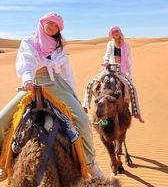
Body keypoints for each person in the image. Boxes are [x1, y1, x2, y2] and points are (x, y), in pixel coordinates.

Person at [0, 12, 103, 178]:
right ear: (42, 23)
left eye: (56, 26)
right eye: (50, 23)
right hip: (33, 84)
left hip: (57, 84)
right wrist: (27, 77)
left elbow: (66, 72)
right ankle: (2, 163)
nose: (52, 27)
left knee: (83, 121)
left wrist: (73, 94)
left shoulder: (59, 45)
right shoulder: (29, 41)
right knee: (2, 119)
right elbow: (27, 62)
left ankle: (91, 163)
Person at [83, 26, 144, 123]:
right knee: (91, 84)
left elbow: (128, 60)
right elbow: (107, 54)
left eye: (116, 31)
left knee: (132, 88)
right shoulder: (110, 44)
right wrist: (106, 61)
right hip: (109, 69)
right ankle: (85, 106)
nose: (115, 33)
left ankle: (137, 113)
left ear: (120, 32)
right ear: (111, 34)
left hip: (121, 71)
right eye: (113, 32)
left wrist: (129, 74)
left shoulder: (126, 46)